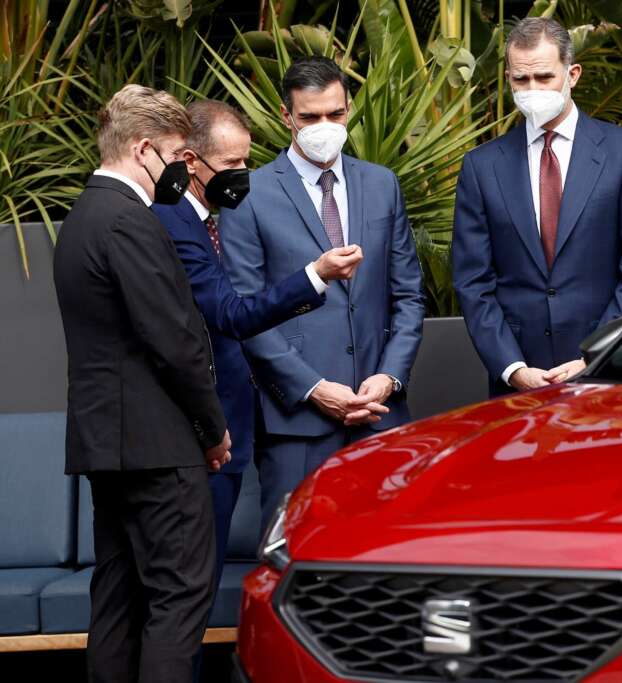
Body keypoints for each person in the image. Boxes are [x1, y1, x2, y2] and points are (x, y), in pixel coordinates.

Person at [149, 99, 363, 666]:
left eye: (247, 160)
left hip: (232, 433)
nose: (243, 175)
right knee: (183, 600)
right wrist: (316, 274)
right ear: (191, 161)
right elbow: (232, 316)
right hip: (203, 438)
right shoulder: (172, 221)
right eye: (232, 163)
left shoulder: (207, 218)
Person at [53, 84, 229, 683]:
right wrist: (213, 428)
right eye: (179, 156)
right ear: (143, 148)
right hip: (157, 447)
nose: (182, 172)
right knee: (178, 603)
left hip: (107, 446)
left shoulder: (81, 217)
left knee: (118, 601)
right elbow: (175, 341)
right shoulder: (130, 220)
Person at [220, 56, 426, 530]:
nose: (325, 126)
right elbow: (244, 313)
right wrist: (314, 389)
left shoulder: (381, 183)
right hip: (298, 426)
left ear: (349, 107)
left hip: (381, 414)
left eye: (335, 114)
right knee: (296, 557)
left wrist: (390, 377)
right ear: (285, 115)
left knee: (388, 560)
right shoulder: (248, 195)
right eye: (310, 117)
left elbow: (409, 295)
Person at [452, 17, 622, 396]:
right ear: (508, 78)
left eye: (545, 77)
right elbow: (472, 281)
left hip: (604, 373)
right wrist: (512, 368)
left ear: (573, 74)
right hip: (517, 380)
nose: (532, 89)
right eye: (521, 79)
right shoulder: (481, 167)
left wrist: (595, 357)